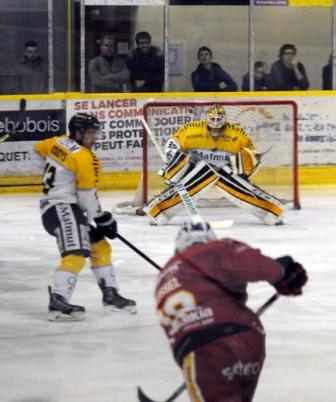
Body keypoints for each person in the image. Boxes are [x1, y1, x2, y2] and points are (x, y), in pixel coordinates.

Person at [155, 222, 307, 402]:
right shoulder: (220, 248)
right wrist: (282, 273)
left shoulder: (163, 278)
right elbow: (254, 264)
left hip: (201, 349)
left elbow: (175, 331)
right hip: (248, 338)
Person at [33, 113, 136, 321]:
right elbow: (87, 195)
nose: (95, 138)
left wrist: (49, 181)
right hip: (61, 207)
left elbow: (37, 149)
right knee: (76, 251)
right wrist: (101, 218)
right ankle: (58, 301)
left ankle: (111, 295)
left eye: (95, 132)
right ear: (78, 133)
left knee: (99, 245)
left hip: (60, 207)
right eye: (90, 133)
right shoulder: (84, 157)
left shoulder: (57, 141)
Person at [143, 105, 285, 226]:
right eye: (213, 119)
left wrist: (244, 169)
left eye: (219, 120)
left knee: (242, 188)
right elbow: (174, 142)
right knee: (187, 186)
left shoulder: (237, 133)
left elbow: (251, 153)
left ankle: (271, 210)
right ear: (207, 119)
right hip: (196, 168)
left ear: (224, 120)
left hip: (226, 169)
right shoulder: (191, 130)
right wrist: (172, 158)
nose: (216, 123)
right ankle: (158, 211)